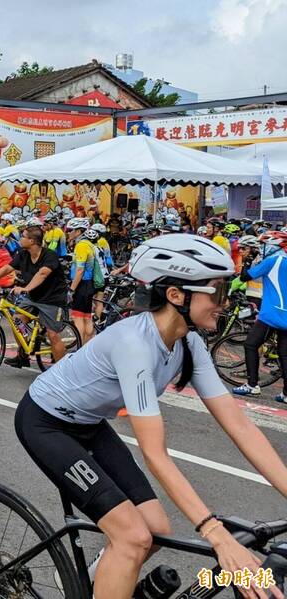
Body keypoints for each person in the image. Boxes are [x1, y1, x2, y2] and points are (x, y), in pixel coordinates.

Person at [16, 233, 287, 599]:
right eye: (218, 293)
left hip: (89, 424)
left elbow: (238, 425)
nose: (225, 304)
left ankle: (97, 581)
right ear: (177, 295)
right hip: (45, 422)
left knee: (155, 528)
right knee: (132, 537)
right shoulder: (135, 345)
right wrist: (215, 534)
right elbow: (155, 454)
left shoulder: (189, 342)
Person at [0, 225, 69, 366]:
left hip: (52, 300)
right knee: (16, 321)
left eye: (23, 236)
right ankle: (23, 355)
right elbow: (7, 268)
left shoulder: (49, 255)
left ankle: (62, 371)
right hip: (33, 297)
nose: (19, 238)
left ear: (32, 241)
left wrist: (26, 288)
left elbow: (42, 274)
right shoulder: (23, 254)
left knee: (52, 335)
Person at [233, 232, 287, 401]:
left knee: (250, 344)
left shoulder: (272, 261)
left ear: (273, 246)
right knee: (284, 354)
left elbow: (244, 277)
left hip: (271, 314)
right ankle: (286, 394)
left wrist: (248, 259)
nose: (261, 249)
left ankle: (252, 385)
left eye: (264, 246)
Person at [67, 217, 98, 344]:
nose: (68, 232)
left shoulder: (81, 246)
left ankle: (80, 348)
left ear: (79, 231)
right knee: (87, 317)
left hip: (82, 284)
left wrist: (72, 289)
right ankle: (86, 345)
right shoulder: (90, 244)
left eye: (70, 230)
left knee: (77, 317)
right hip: (89, 284)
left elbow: (80, 270)